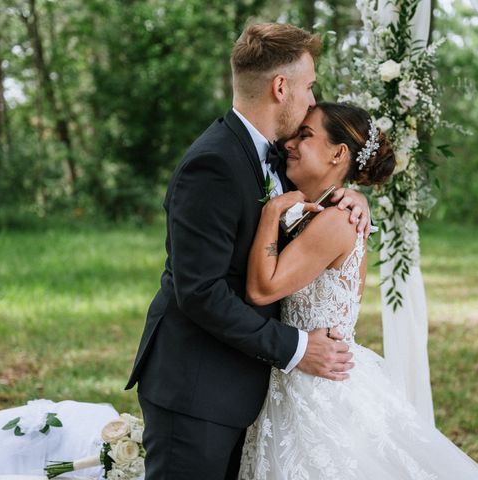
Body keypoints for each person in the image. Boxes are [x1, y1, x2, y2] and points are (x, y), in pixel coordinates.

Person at [125, 24, 373, 479]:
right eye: (309, 87)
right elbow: (199, 291)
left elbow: (322, 192)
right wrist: (297, 348)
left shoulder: (279, 155)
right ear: (281, 87)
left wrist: (353, 196)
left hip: (248, 390)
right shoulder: (213, 163)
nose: (312, 102)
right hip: (197, 389)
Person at [239, 102, 478, 479]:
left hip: (317, 386)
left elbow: (261, 290)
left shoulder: (336, 222)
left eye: (305, 136)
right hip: (299, 373)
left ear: (339, 153)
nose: (289, 143)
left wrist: (271, 213)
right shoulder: (325, 209)